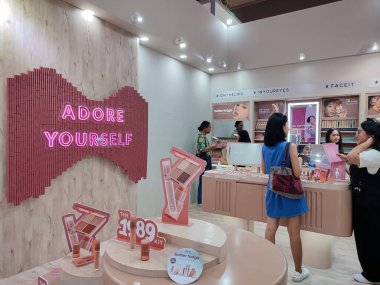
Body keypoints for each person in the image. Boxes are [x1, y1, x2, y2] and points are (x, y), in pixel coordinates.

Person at [260, 113, 310, 282]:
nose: (288, 127)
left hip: (272, 191)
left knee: (270, 230)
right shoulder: (290, 146)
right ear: (281, 127)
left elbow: (264, 170)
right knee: (294, 233)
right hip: (290, 193)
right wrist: (300, 163)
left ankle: (269, 266)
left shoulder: (265, 147)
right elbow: (297, 173)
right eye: (287, 124)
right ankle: (298, 271)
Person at [338, 118, 380, 284]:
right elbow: (359, 170)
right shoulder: (370, 154)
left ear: (370, 136)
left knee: (368, 239)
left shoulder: (374, 153)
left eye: (359, 131)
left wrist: (372, 140)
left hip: (369, 205)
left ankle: (372, 274)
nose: (356, 135)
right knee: (367, 238)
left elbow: (352, 156)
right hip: (366, 203)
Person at [196, 121, 218, 205]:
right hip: (204, 159)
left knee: (204, 180)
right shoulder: (201, 137)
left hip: (206, 159)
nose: (210, 129)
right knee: (203, 180)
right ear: (205, 127)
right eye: (209, 127)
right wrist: (212, 146)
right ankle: (201, 200)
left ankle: (202, 199)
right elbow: (202, 150)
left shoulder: (203, 137)